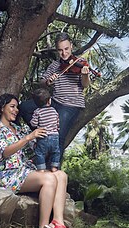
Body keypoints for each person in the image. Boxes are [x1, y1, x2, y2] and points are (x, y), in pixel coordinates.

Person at [0, 93, 71, 228]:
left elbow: (35, 148)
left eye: (17, 107)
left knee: (61, 175)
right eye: (12, 106)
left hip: (25, 170)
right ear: (2, 107)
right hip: (8, 175)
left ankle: (58, 224)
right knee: (49, 180)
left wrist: (47, 138)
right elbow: (5, 152)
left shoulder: (20, 128)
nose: (16, 110)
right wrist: (28, 137)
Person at [19, 32, 90, 161]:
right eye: (60, 50)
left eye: (66, 49)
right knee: (24, 107)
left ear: (71, 46)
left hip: (70, 105)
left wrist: (85, 75)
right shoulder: (54, 66)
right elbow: (42, 82)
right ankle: (42, 132)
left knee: (58, 137)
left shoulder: (80, 63)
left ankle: (53, 171)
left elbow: (85, 85)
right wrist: (47, 82)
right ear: (57, 50)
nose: (64, 53)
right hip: (53, 102)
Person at [30, 88, 60, 172]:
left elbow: (34, 124)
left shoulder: (37, 111)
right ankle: (54, 167)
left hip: (43, 136)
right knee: (56, 152)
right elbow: (57, 122)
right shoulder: (54, 110)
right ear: (49, 100)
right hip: (55, 136)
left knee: (40, 153)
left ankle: (41, 169)